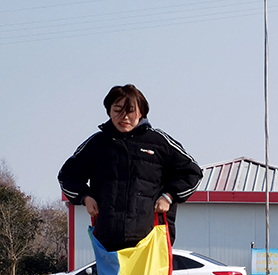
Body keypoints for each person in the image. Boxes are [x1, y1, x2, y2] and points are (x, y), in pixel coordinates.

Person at [58, 84, 203, 251]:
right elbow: (67, 176)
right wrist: (85, 197)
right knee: (112, 270)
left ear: (141, 112)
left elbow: (193, 173)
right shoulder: (96, 144)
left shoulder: (159, 142)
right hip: (108, 239)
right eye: (117, 110)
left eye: (130, 111)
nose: (124, 117)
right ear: (109, 111)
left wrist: (168, 197)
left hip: (151, 238)